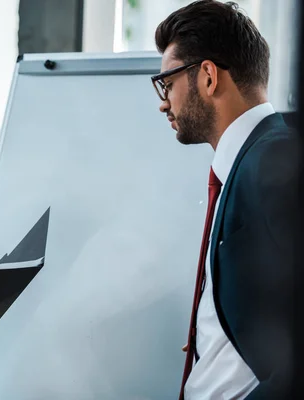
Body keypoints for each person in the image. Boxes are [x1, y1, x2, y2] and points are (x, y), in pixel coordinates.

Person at [152, 1, 300, 398]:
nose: (163, 101)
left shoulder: (273, 161)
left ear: (207, 76)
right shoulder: (248, 160)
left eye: (167, 83)